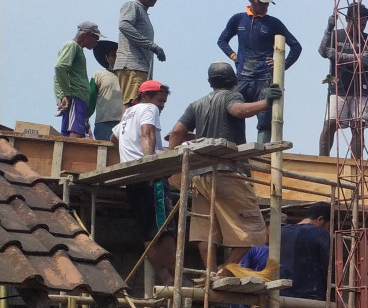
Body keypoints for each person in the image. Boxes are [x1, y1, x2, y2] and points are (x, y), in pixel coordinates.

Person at [167, 62, 280, 273]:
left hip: (199, 176)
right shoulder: (232, 96)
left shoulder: (196, 104)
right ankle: (225, 269)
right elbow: (237, 111)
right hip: (228, 172)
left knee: (205, 231)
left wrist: (171, 165)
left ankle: (210, 271)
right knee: (254, 228)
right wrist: (266, 102)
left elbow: (175, 132)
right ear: (234, 81)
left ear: (210, 82)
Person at [216, 0, 302, 143]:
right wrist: (233, 55)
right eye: (261, 2)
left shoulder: (273, 23)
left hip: (265, 78)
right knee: (231, 112)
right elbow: (222, 40)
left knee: (265, 122)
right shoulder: (238, 20)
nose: (265, 5)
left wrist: (281, 65)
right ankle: (232, 149)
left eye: (267, 2)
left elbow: (296, 46)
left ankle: (260, 156)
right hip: (242, 77)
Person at [114, 79, 175, 283]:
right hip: (150, 177)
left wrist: (129, 150)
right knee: (165, 229)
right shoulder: (149, 108)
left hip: (133, 178)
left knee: (148, 232)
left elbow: (114, 138)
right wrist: (149, 163)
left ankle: (165, 276)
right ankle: (177, 277)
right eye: (160, 100)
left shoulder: (128, 114)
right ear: (146, 96)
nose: (162, 105)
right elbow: (147, 133)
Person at [318, 2, 368, 159]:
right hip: (339, 87)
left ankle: (355, 164)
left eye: (365, 24)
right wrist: (329, 29)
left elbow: (365, 59)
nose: (362, 27)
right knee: (330, 123)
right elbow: (322, 51)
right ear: (348, 19)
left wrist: (339, 56)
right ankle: (323, 160)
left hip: (361, 89)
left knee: (359, 127)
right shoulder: (337, 35)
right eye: (359, 23)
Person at [114, 0, 167, 108]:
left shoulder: (142, 11)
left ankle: (132, 128)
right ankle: (127, 129)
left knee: (137, 104)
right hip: (132, 65)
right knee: (132, 104)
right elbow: (124, 25)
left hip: (139, 66)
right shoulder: (133, 5)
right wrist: (152, 46)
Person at [55, 22, 105, 138]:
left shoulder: (77, 49)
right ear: (86, 35)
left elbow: (59, 72)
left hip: (79, 98)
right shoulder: (72, 45)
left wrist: (61, 96)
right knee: (75, 133)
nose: (96, 42)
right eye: (95, 37)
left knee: (73, 133)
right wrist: (65, 94)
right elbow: (60, 67)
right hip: (76, 97)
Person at [90, 40, 122, 141]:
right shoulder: (98, 75)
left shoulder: (129, 77)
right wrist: (85, 118)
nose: (116, 59)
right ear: (106, 58)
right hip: (104, 123)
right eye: (113, 55)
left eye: (119, 56)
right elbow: (91, 98)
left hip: (124, 122)